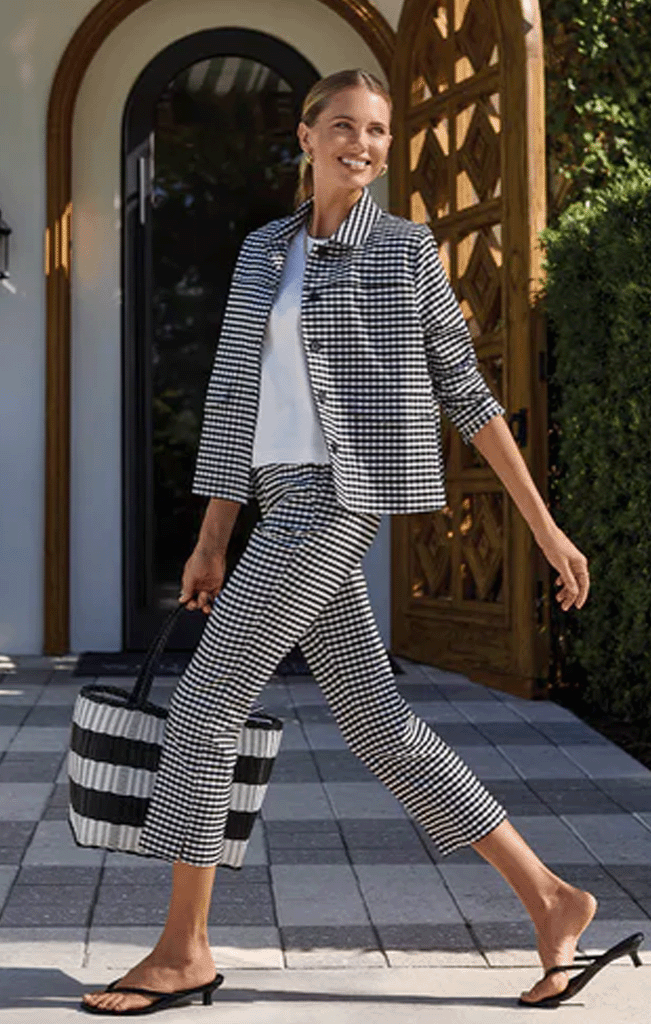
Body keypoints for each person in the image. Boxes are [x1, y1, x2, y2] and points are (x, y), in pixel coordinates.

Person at [81, 68, 641, 1016]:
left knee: (206, 706)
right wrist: (213, 537)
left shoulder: (404, 250)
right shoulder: (262, 250)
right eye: (343, 126)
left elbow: (464, 391)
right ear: (305, 137)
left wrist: (545, 527)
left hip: (337, 499)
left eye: (377, 131)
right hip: (275, 498)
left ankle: (183, 951)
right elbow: (234, 396)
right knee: (378, 723)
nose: (363, 144)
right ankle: (551, 901)